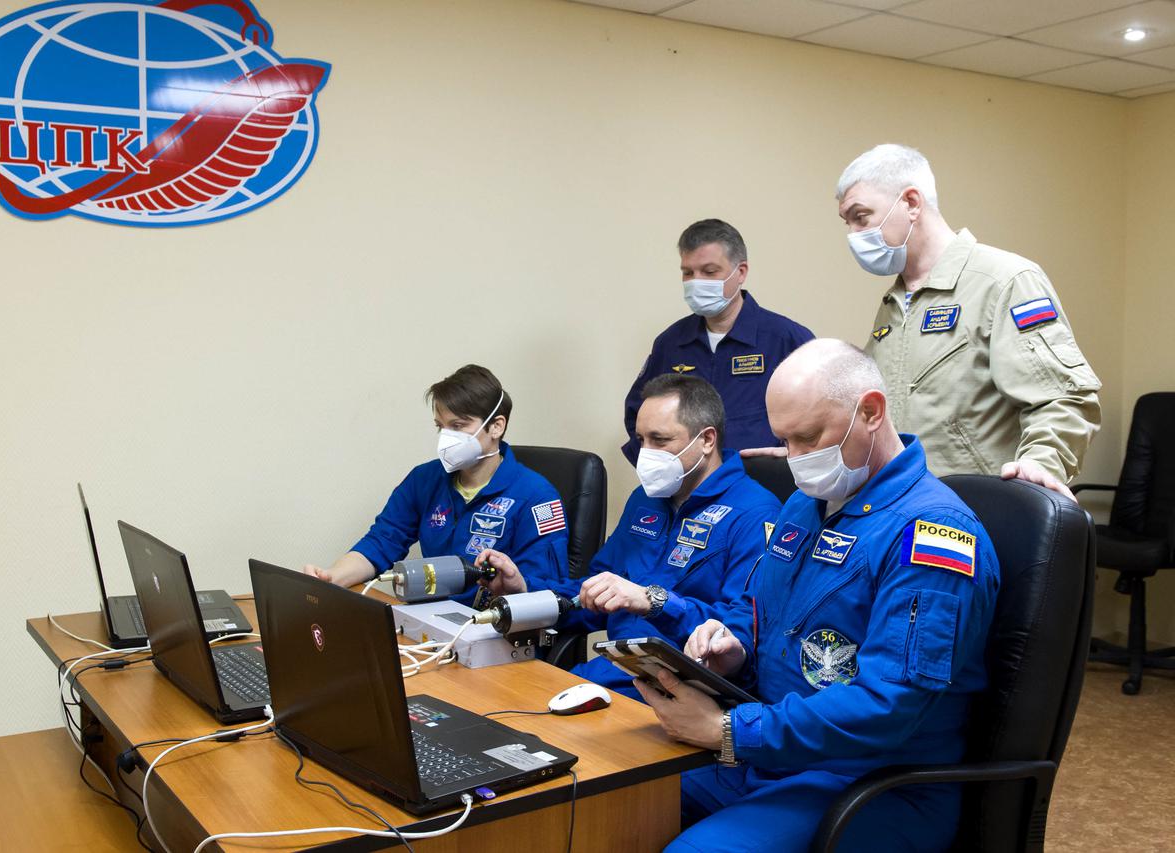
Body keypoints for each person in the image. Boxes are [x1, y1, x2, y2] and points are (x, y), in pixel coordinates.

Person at [637, 339, 999, 853]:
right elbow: (757, 608)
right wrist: (731, 644)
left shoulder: (934, 533)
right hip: (772, 754)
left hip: (869, 780)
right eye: (785, 441)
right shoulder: (805, 505)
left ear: (871, 412)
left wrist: (730, 731)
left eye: (808, 438)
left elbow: (889, 704)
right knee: (602, 803)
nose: (795, 458)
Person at [481, 374, 780, 699]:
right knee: (494, 702)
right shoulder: (645, 500)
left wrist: (653, 602)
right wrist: (525, 591)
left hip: (680, 686)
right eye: (641, 440)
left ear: (707, 440)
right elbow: (591, 595)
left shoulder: (755, 513)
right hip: (613, 670)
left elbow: (738, 634)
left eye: (660, 440)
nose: (645, 453)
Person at [835, 143, 1100, 499]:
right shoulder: (896, 300)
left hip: (975, 507)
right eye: (848, 222)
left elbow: (1063, 398)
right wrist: (814, 448)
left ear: (911, 203)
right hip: (903, 506)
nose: (853, 234)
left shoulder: (1004, 280)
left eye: (861, 216)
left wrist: (1042, 463)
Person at [303, 364, 573, 603]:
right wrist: (331, 578)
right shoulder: (425, 479)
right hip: (429, 619)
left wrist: (514, 587)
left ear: (496, 427)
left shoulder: (537, 496)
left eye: (458, 426)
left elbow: (546, 592)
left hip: (494, 628)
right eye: (440, 426)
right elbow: (382, 542)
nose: (446, 438)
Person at [622, 219, 813, 465]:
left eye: (709, 272)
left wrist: (793, 461)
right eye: (688, 273)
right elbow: (638, 416)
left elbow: (823, 419)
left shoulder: (786, 339)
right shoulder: (671, 343)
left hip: (761, 481)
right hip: (687, 483)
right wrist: (659, 469)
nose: (696, 281)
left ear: (740, 272)